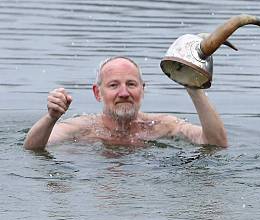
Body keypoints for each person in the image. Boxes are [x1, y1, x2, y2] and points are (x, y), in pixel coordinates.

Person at [23, 56, 228, 150]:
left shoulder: (163, 125)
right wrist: (51, 117)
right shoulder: (82, 127)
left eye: (131, 84)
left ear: (142, 89)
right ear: (98, 93)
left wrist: (194, 88)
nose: (124, 93)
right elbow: (32, 147)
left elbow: (215, 142)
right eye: (113, 85)